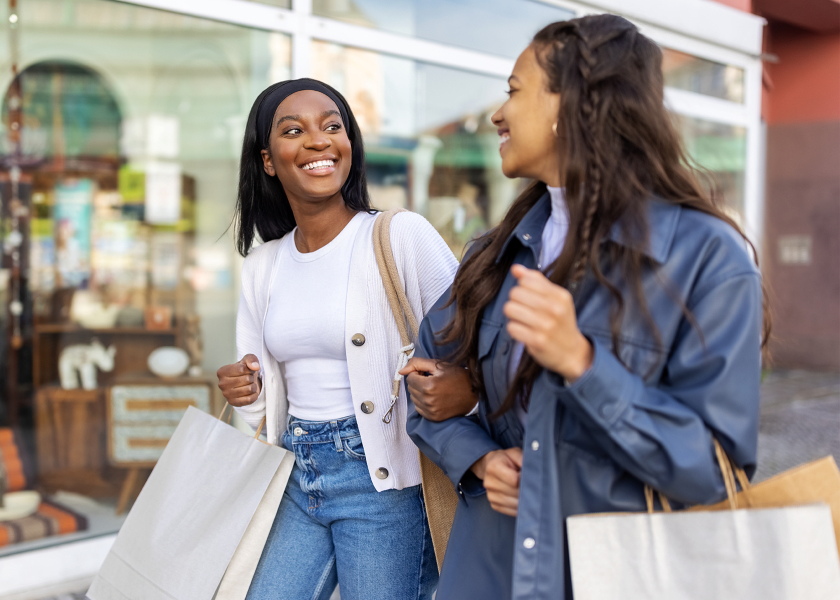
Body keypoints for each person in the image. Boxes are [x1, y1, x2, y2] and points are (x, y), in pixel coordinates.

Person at [402, 14, 769, 600]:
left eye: (514, 91)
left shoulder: (707, 257)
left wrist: (582, 363)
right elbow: (423, 386)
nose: (497, 114)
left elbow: (714, 470)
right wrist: (479, 459)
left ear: (569, 103)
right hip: (490, 572)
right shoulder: (495, 253)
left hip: (619, 577)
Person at [217, 78, 456, 600]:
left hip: (383, 479)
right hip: (296, 470)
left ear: (349, 144)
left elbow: (473, 340)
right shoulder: (263, 265)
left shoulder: (399, 235)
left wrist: (454, 385)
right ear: (267, 160)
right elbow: (259, 409)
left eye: (332, 126)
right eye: (293, 131)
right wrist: (245, 390)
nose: (318, 140)